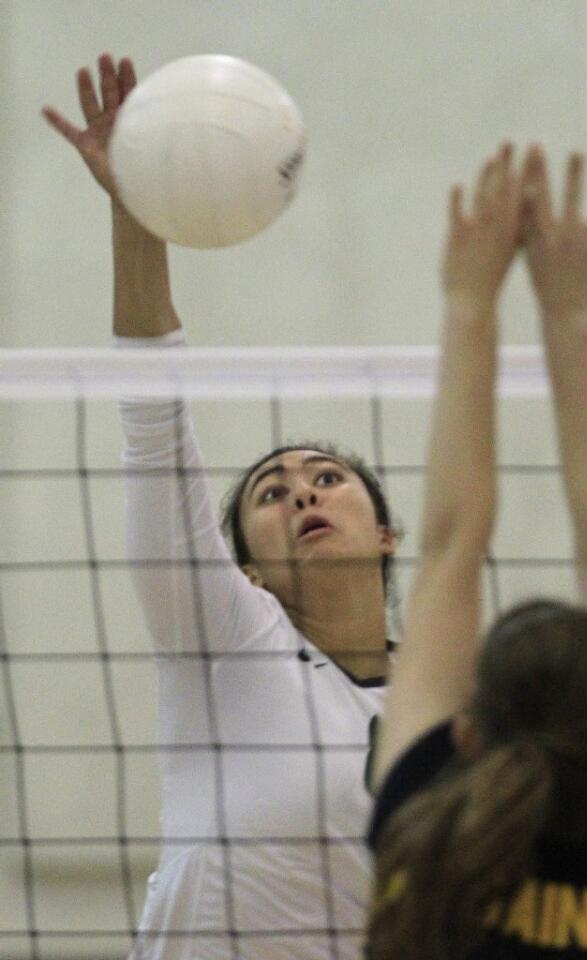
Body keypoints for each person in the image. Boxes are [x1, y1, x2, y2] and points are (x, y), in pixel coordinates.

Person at [43, 54, 397, 960]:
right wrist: (137, 211)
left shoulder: (446, 694)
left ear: (386, 532)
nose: (302, 494)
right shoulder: (230, 639)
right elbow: (154, 424)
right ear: (244, 568)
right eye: (272, 494)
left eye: (326, 478)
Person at [367, 142, 587, 959]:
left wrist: (468, 301)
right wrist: (570, 316)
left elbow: (448, 545)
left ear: (467, 731)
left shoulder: (424, 823)